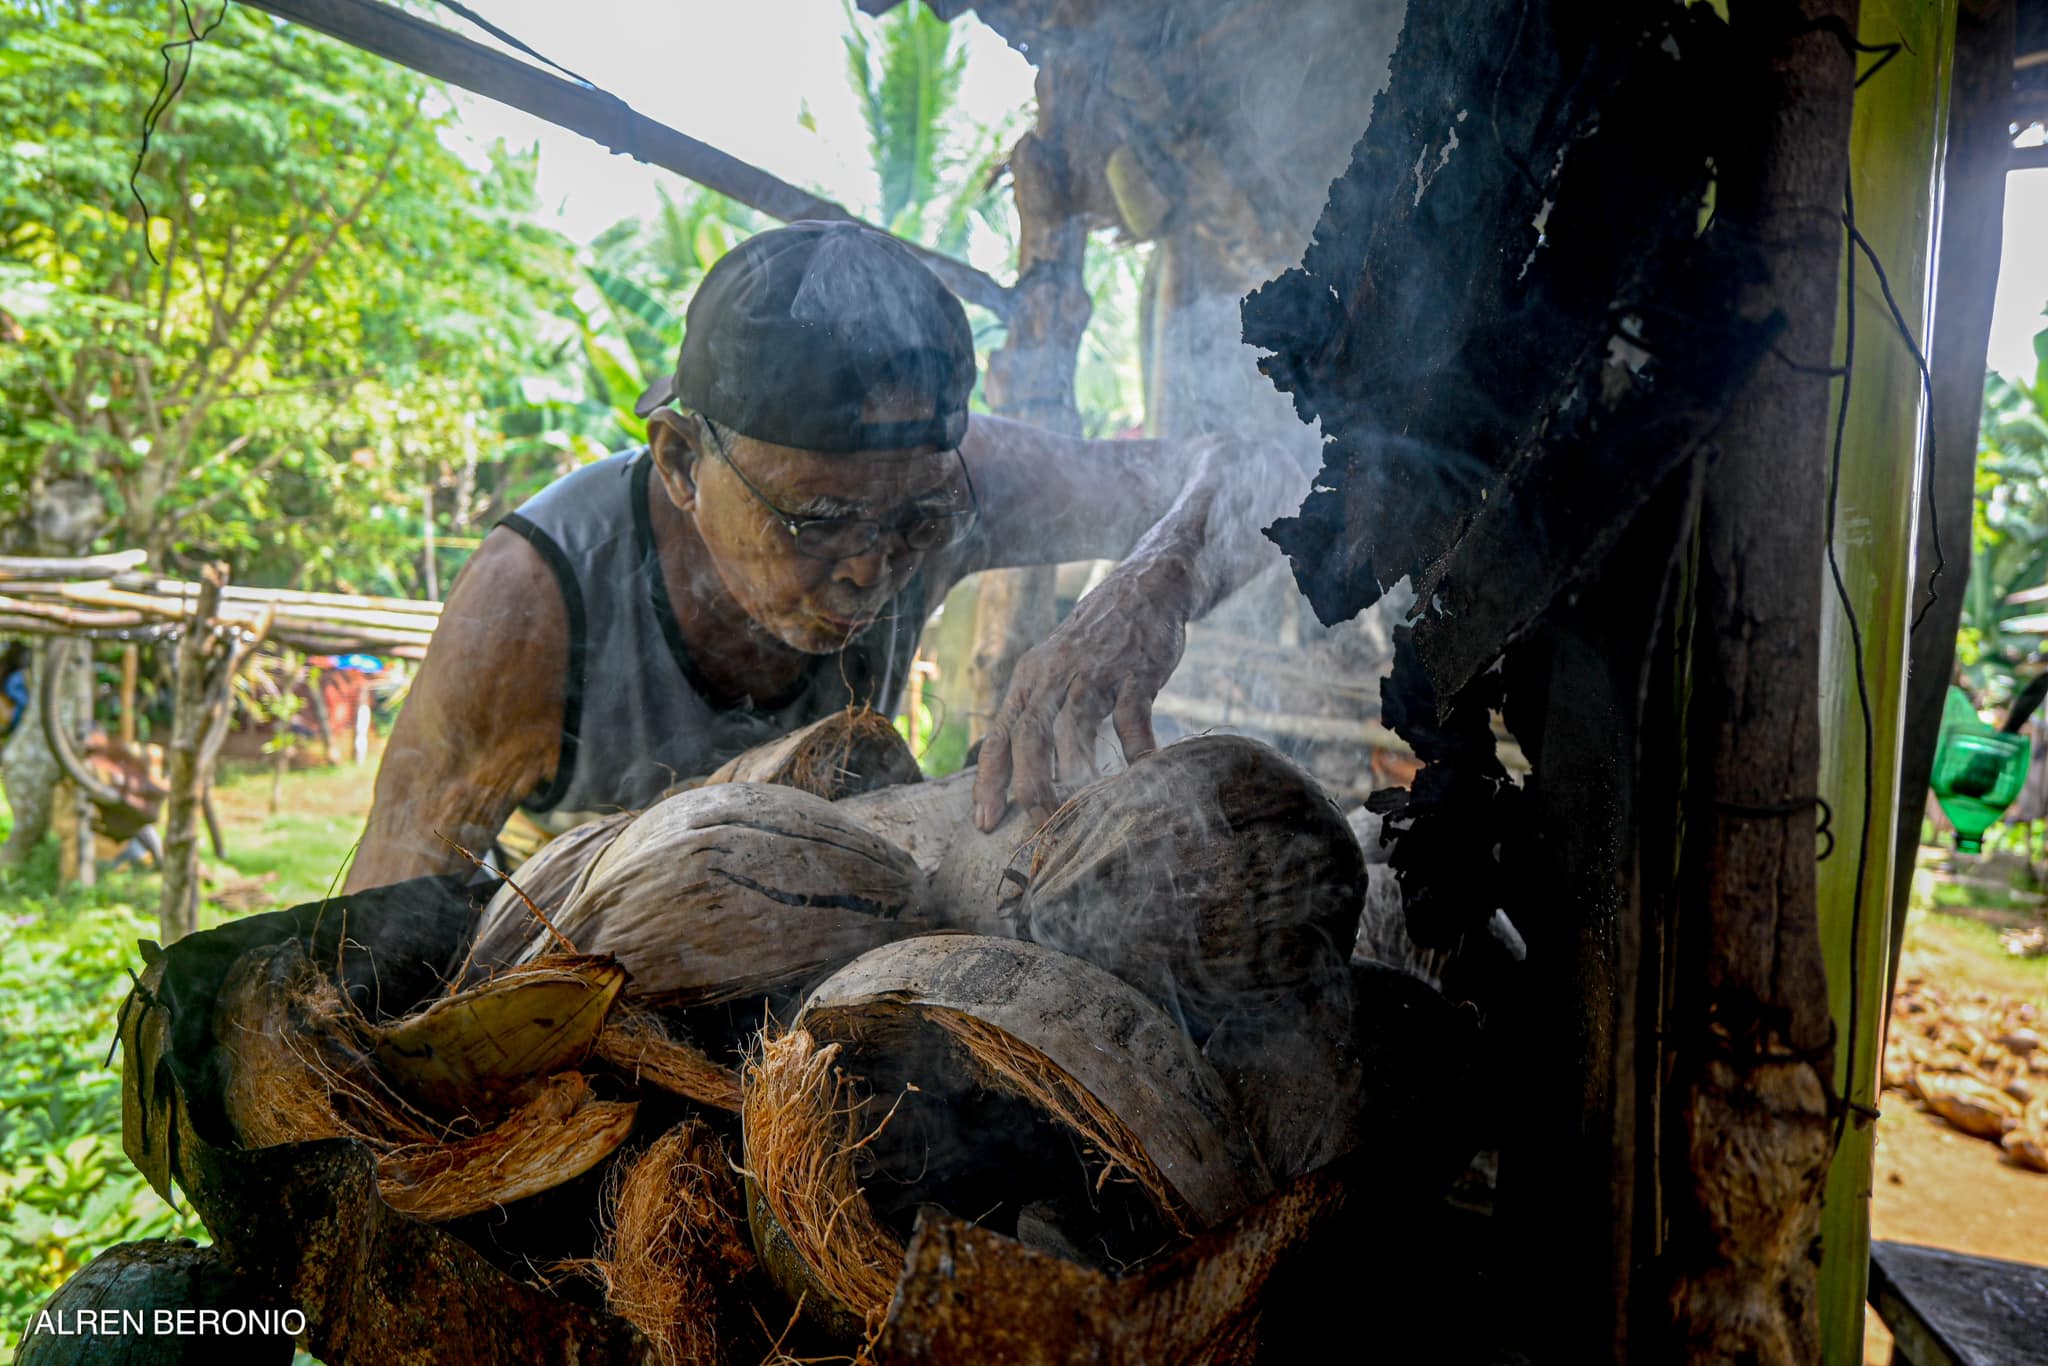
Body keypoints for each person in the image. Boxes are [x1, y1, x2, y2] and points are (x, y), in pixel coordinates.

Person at [345, 221, 1306, 892]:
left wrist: (1154, 586)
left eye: (915, 521)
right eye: (818, 520)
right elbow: (378, 927)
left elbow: (1277, 473)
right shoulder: (536, 598)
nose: (870, 570)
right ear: (681, 462)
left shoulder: (963, 479)